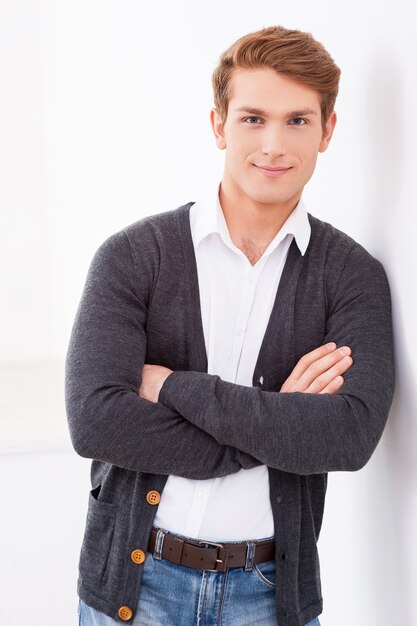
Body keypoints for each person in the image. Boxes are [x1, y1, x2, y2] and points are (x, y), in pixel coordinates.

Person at [65, 25, 395, 626]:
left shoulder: (352, 275)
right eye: (252, 118)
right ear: (218, 124)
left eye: (297, 120)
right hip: (136, 588)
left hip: (271, 595)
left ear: (328, 131)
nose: (274, 144)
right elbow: (95, 421)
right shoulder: (133, 256)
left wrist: (170, 388)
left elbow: (347, 438)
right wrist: (278, 425)